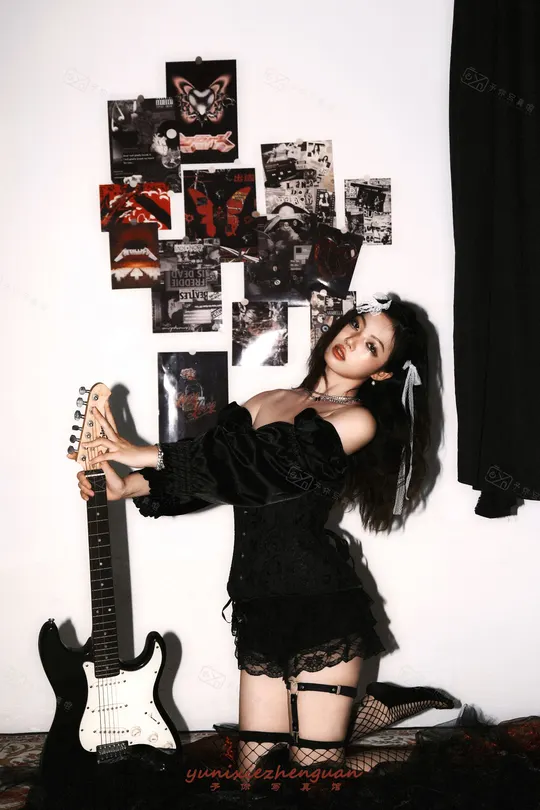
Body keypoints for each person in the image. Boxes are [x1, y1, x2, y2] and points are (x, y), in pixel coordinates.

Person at [71, 293, 459, 784]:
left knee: (313, 778)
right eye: (357, 325)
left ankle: (427, 769)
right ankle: (366, 713)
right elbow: (216, 471)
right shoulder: (266, 400)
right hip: (256, 603)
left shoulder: (356, 421)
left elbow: (259, 467)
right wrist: (128, 486)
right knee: (254, 778)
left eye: (372, 346)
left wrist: (143, 452)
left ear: (381, 373)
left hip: (320, 607)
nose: (353, 339)